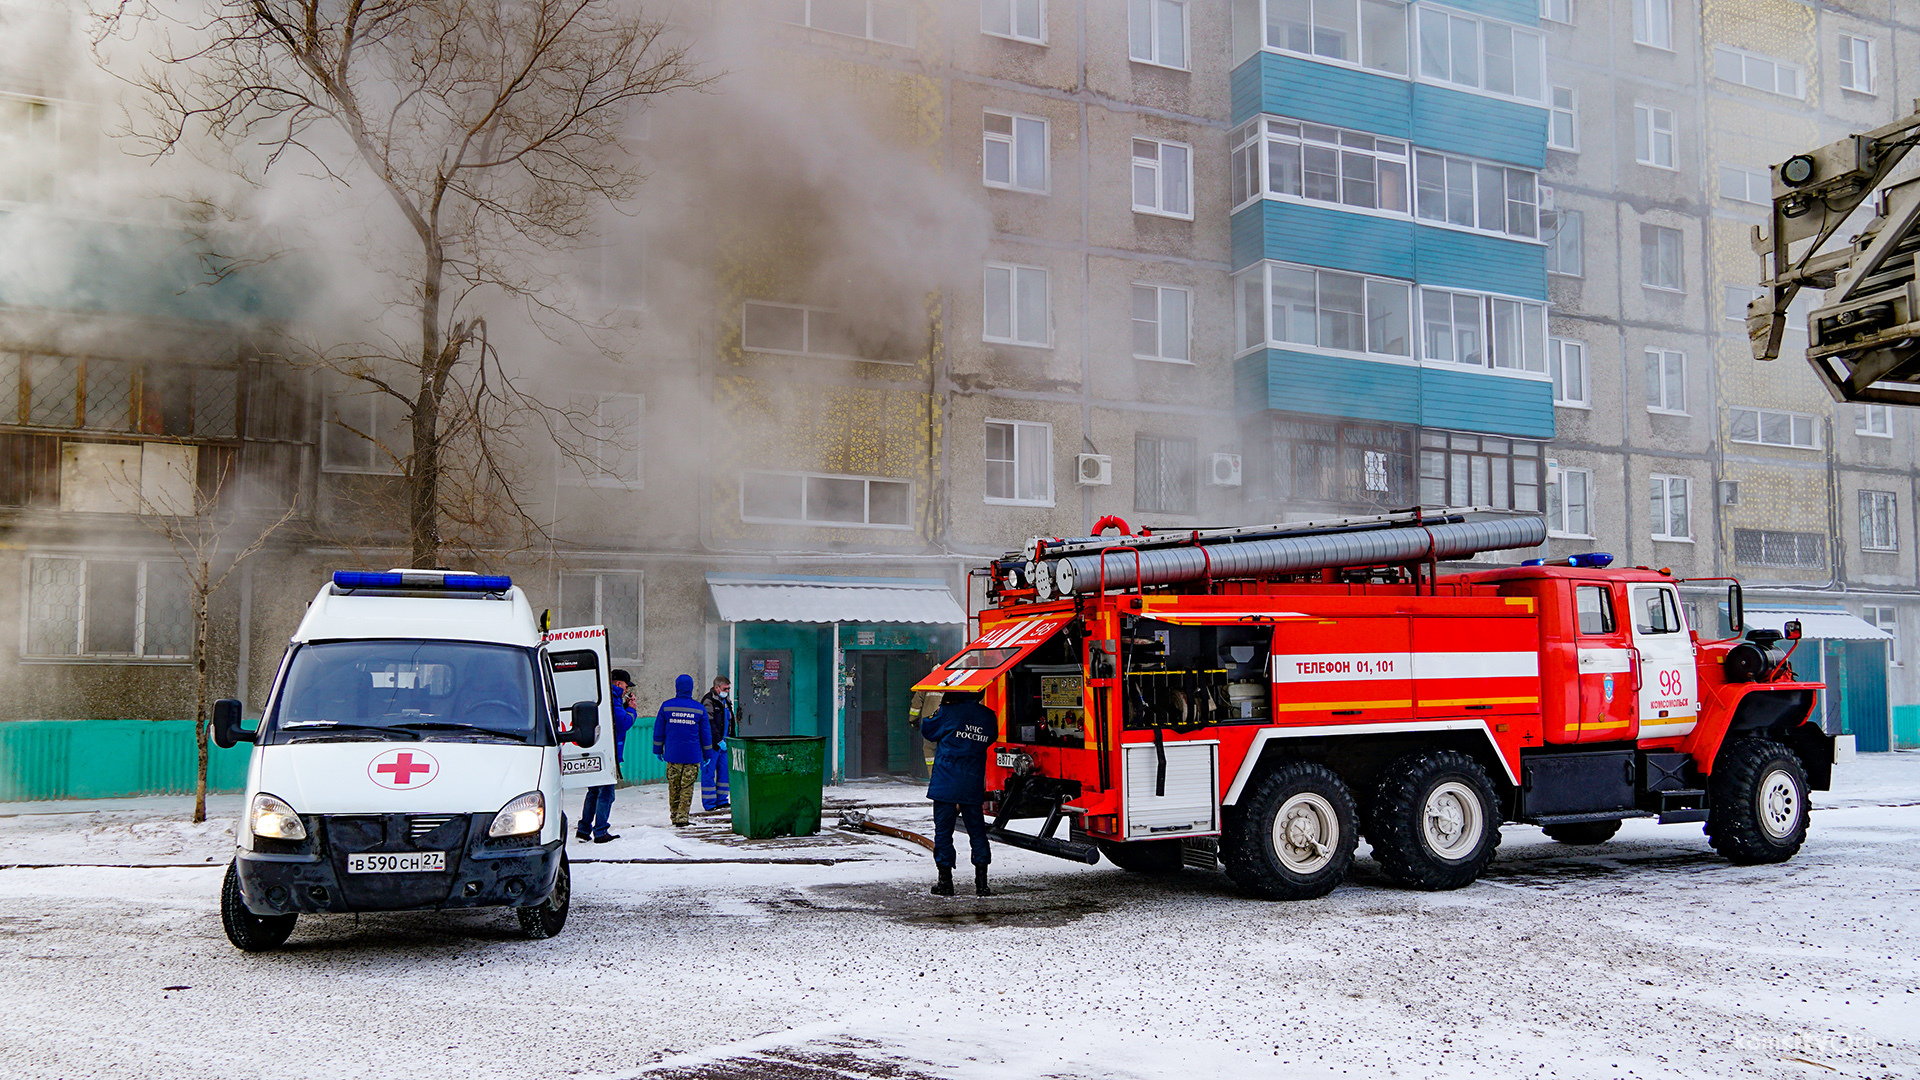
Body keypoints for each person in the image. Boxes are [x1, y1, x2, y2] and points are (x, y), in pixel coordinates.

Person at [919, 689, 997, 897]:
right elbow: (990, 738)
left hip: (946, 783)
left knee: (944, 833)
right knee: (977, 833)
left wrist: (937, 711)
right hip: (971, 783)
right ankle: (982, 884)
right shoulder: (988, 716)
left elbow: (927, 729)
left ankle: (945, 882)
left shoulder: (947, 712)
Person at [575, 669, 637, 844]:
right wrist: (631, 710)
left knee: (594, 791)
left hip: (597, 748)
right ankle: (600, 832)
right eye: (626, 685)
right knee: (606, 793)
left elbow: (612, 718)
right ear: (618, 683)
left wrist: (624, 707)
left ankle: (583, 830)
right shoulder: (613, 698)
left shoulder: (601, 694)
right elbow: (623, 723)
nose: (626, 689)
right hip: (609, 752)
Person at [654, 673, 712, 827]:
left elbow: (658, 730)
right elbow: (705, 735)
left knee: (674, 786)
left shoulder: (666, 706)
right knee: (687, 787)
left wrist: (657, 750)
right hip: (692, 756)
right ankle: (682, 818)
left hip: (672, 755)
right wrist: (708, 754)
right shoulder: (699, 709)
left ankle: (674, 815)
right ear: (691, 688)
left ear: (677, 687)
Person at [699, 676, 734, 812]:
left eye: (728, 688)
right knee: (708, 773)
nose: (727, 691)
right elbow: (709, 724)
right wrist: (718, 740)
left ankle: (722, 800)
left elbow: (730, 721)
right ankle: (709, 803)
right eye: (725, 689)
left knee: (724, 773)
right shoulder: (708, 701)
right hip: (712, 745)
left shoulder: (726, 701)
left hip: (725, 742)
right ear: (717, 687)